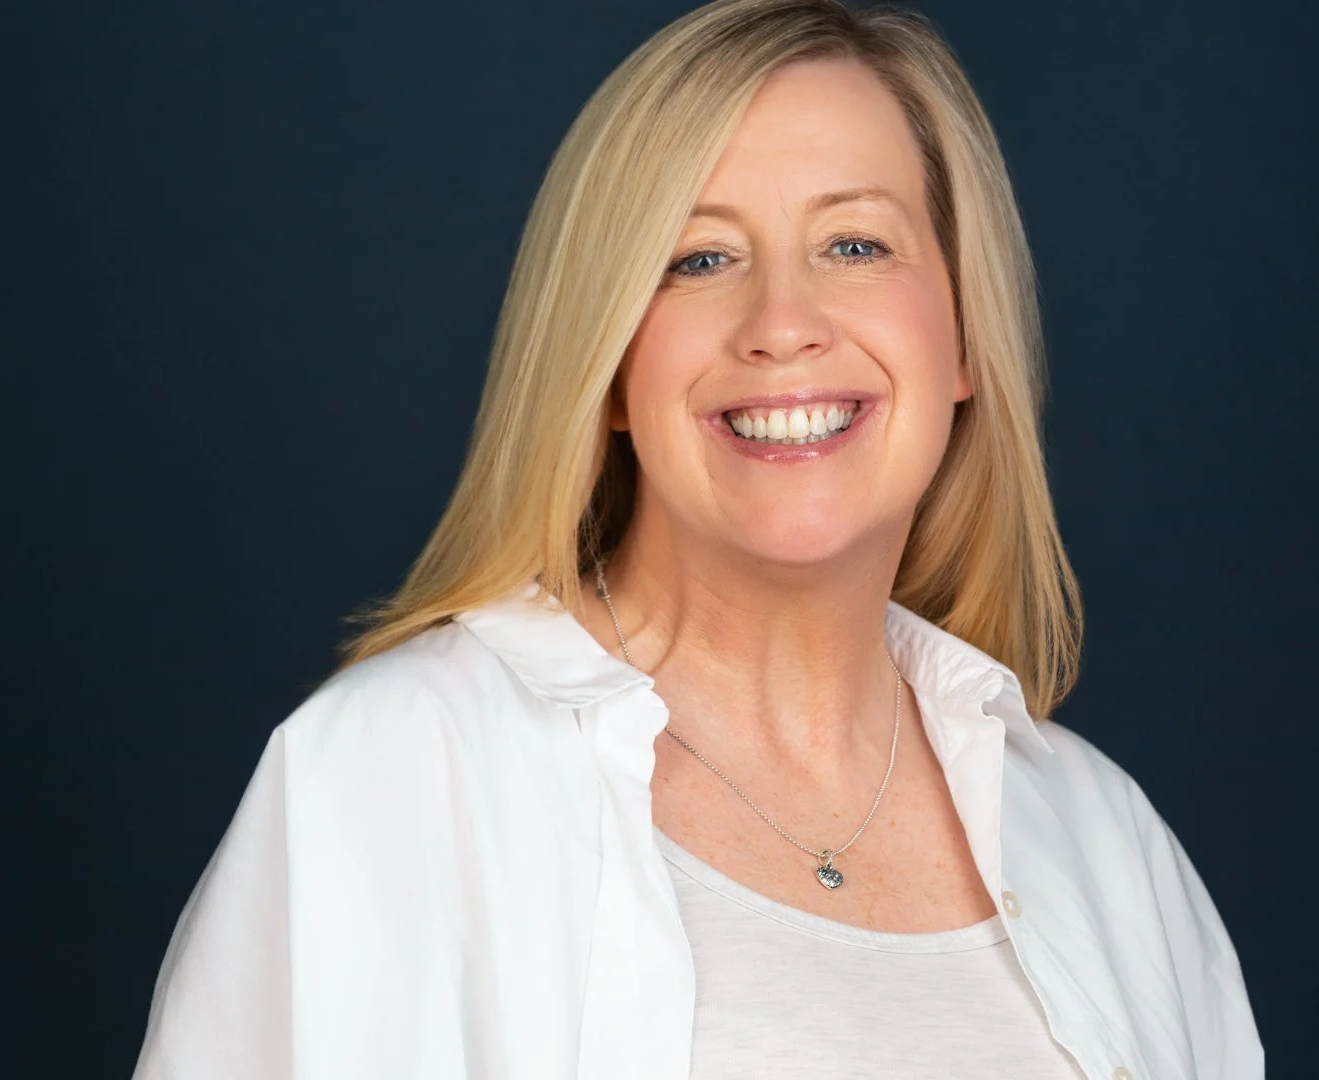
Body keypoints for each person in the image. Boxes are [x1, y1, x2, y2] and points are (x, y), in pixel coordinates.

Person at [130, 0, 1263, 1076]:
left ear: (965, 343)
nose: (782, 325)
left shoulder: (1108, 844)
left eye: (857, 245)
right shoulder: (386, 782)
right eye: (699, 258)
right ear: (608, 365)